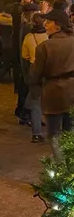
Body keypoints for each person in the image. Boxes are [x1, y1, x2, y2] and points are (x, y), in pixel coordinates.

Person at [30, 9, 74, 159]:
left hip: (53, 92)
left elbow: (35, 74)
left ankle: (61, 166)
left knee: (54, 132)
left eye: (48, 22)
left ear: (57, 25)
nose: (45, 25)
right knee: (70, 130)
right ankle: (70, 167)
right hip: (72, 90)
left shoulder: (45, 47)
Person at [21, 13, 48, 143]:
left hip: (34, 68)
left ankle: (36, 133)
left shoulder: (28, 37)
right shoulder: (49, 36)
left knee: (35, 99)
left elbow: (24, 55)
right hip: (49, 69)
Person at [10, 0, 34, 120]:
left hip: (22, 49)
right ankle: (23, 110)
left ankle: (22, 109)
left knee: (24, 82)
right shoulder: (18, 10)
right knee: (24, 81)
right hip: (20, 50)